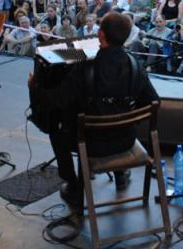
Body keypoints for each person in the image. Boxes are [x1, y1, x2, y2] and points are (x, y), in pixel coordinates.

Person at [41, 12, 159, 209]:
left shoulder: (85, 68)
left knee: (56, 126)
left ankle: (74, 186)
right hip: (125, 140)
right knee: (112, 113)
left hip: (91, 144)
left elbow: (57, 99)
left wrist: (35, 87)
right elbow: (153, 101)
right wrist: (128, 118)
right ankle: (120, 173)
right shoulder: (135, 65)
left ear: (101, 35)